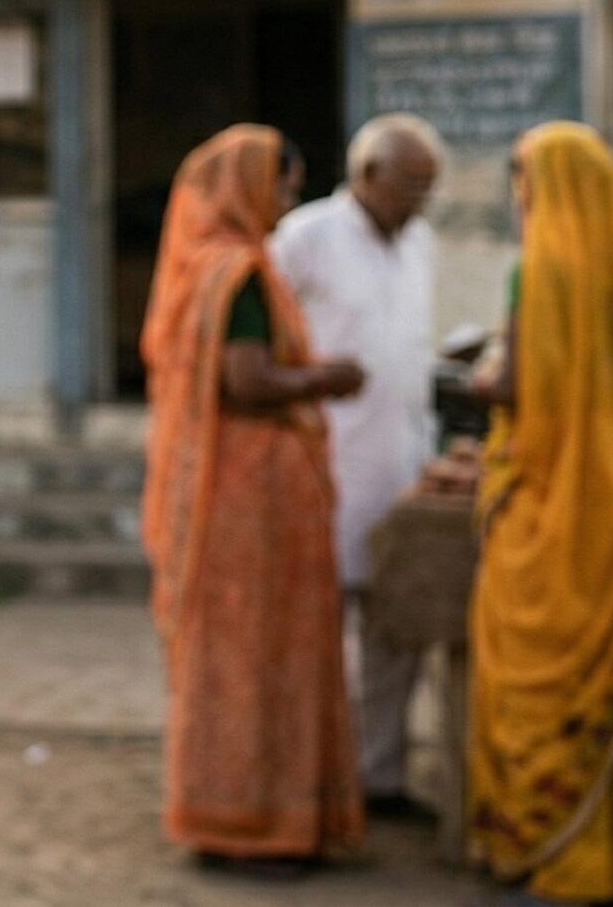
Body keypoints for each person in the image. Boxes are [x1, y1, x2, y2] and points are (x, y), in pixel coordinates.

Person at [468, 122, 613, 905]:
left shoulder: (541, 270)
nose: (521, 198)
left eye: (525, 181)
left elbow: (514, 389)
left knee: (533, 676)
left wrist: (485, 377)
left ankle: (547, 846)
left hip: (547, 513)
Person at [139, 125, 368, 876]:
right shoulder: (237, 274)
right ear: (248, 186)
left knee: (229, 653)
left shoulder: (195, 269)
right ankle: (260, 827)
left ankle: (227, 815)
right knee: (265, 652)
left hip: (220, 490)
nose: (288, 201)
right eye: (283, 185)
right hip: (254, 496)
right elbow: (246, 381)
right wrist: (325, 379)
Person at [270, 113, 444, 817]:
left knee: (395, 631)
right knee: (314, 635)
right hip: (328, 464)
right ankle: (307, 779)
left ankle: (381, 777)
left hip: (402, 459)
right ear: (367, 175)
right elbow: (260, 336)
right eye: (410, 186)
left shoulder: (422, 241)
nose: (420, 202)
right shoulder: (306, 237)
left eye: (430, 189)